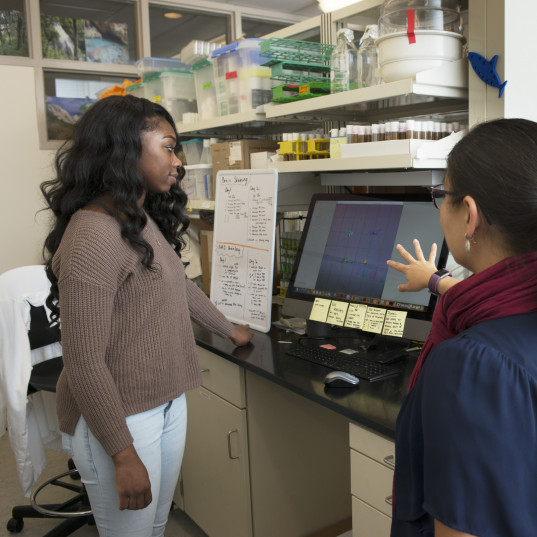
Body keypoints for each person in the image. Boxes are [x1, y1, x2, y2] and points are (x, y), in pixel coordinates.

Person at [40, 94, 253, 537]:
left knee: (154, 527)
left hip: (165, 402)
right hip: (119, 419)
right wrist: (122, 453)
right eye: (169, 147)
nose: (177, 162)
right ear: (123, 149)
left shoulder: (136, 217)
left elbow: (178, 287)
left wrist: (229, 330)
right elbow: (83, 362)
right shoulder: (92, 239)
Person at [386, 118, 537, 537]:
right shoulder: (520, 306)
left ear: (469, 216)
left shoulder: (471, 367)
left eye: (443, 196)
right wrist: (432, 279)